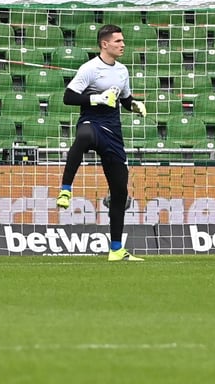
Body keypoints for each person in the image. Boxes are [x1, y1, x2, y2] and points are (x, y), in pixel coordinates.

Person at [55, 24, 147, 262]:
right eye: (118, 41)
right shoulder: (89, 69)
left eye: (123, 41)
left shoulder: (123, 70)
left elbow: (124, 98)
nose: (123, 44)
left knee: (120, 191)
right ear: (104, 44)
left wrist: (134, 105)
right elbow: (68, 97)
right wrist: (96, 98)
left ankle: (116, 249)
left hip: (113, 132)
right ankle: (65, 190)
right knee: (83, 138)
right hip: (92, 123)